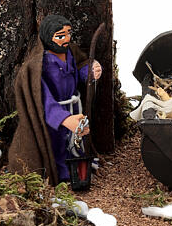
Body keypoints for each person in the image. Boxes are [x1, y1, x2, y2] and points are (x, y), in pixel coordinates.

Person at [9, 15, 102, 187]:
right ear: (47, 37)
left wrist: (90, 71)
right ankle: (60, 172)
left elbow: (81, 66)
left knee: (73, 142)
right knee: (56, 144)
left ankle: (77, 169)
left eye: (68, 34)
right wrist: (64, 119)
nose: (66, 39)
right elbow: (41, 98)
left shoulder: (70, 52)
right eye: (60, 36)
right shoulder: (38, 65)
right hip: (54, 116)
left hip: (73, 107)